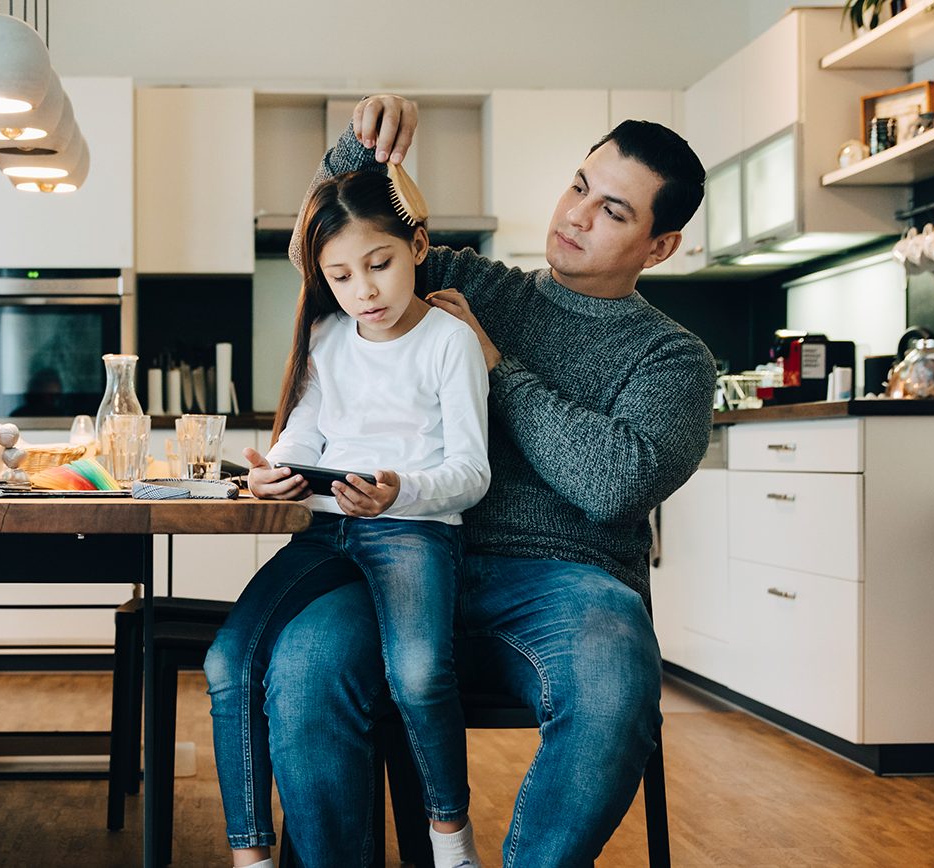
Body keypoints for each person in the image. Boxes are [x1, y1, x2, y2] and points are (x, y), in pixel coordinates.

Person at [251, 94, 718, 867]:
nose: (574, 215)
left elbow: (610, 485)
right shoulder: (473, 279)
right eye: (576, 186)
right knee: (303, 667)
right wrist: (359, 142)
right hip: (399, 551)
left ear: (659, 245)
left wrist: (495, 364)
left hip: (555, 583)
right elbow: (325, 246)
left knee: (612, 676)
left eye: (610, 210)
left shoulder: (672, 359)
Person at [204, 165, 492, 868]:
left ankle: (449, 833)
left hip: (413, 530)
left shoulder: (447, 340)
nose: (363, 291)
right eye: (339, 276)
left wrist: (399, 494)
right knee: (225, 661)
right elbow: (307, 429)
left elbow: (472, 472)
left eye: (378, 264)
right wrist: (279, 467)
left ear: (417, 248)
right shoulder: (330, 338)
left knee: (418, 673)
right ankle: (250, 854)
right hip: (328, 525)